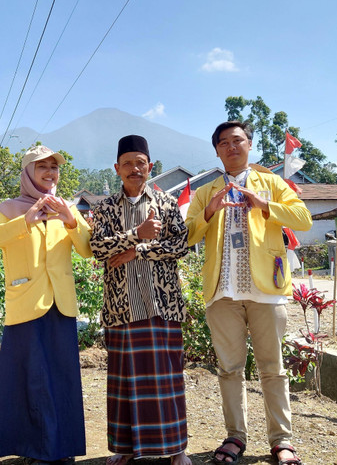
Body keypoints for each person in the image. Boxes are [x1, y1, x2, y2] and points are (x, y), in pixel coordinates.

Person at [185, 121, 312, 465]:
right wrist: (209, 212)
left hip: (266, 289)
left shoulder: (271, 183)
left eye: (237, 140)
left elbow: (303, 218)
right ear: (216, 150)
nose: (231, 146)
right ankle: (235, 437)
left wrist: (264, 205)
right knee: (229, 369)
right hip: (221, 292)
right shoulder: (206, 191)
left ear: (249, 145)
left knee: (273, 368)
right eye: (223, 142)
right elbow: (187, 235)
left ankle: (282, 441)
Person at [0, 145, 92, 464]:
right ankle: (34, 450)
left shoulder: (66, 207)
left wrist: (70, 219)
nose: (50, 172)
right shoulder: (9, 207)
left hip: (62, 305)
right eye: (42, 167)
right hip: (26, 303)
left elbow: (86, 249)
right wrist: (24, 221)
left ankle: (62, 449)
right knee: (30, 378)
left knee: (63, 378)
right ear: (28, 172)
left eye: (54, 167)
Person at [90, 135, 191, 465]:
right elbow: (98, 249)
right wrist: (136, 234)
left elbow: (181, 245)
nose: (136, 168)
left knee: (168, 381)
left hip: (163, 306)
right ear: (117, 169)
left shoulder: (167, 204)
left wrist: (139, 250)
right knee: (124, 382)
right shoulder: (104, 208)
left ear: (150, 167)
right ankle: (124, 449)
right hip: (122, 307)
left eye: (141, 162)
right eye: (129, 163)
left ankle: (177, 450)